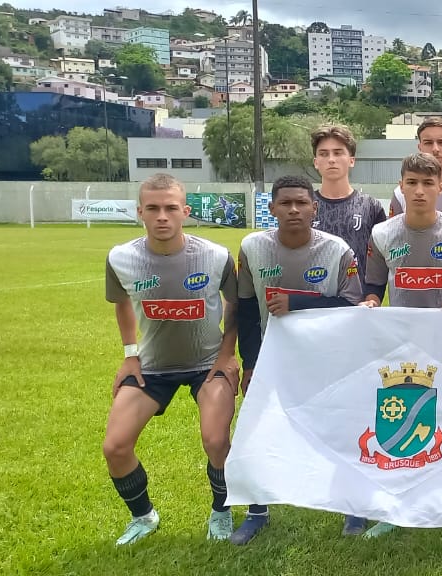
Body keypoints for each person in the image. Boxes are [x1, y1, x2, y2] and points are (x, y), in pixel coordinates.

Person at [359, 152, 442, 542]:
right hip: (401, 349)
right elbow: (373, 285)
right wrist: (371, 302)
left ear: (440, 188)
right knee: (401, 426)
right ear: (401, 187)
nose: (419, 191)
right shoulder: (382, 235)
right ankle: (396, 508)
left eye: (427, 184)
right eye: (411, 183)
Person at [102, 174, 240, 545]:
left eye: (170, 208)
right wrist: (130, 355)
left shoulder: (214, 256)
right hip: (152, 368)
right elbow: (122, 307)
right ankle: (144, 517)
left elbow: (237, 303)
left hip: (207, 364)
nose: (162, 216)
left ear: (185, 212)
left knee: (215, 441)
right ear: (140, 213)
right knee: (115, 446)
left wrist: (228, 355)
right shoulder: (122, 258)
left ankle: (222, 510)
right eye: (153, 209)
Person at [232, 175, 364, 545]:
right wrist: (250, 363)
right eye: (285, 203)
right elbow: (245, 309)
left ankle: (353, 506)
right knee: (259, 431)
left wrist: (300, 303)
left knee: (340, 430)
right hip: (272, 359)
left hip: (327, 360)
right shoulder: (252, 248)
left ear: (314, 208)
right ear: (271, 208)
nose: (294, 210)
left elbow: (353, 304)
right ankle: (257, 511)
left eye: (302, 203)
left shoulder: (337, 250)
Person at [308, 123, 388, 536]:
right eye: (324, 153)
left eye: (339, 152)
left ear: (351, 159)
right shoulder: (304, 204)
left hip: (358, 318)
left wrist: (373, 300)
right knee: (324, 408)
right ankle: (324, 484)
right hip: (312, 319)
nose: (332, 159)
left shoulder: (372, 207)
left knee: (360, 407)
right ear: (316, 160)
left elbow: (381, 264)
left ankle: (357, 502)